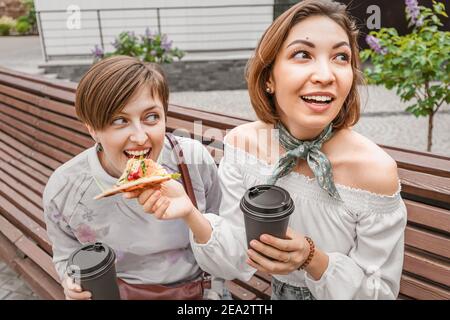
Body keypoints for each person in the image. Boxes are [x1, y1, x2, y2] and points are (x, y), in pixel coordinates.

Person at [131, 0, 408, 300]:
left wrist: (312, 259)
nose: (326, 75)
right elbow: (235, 257)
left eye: (341, 57)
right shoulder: (242, 144)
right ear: (269, 79)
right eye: (303, 54)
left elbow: (379, 293)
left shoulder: (375, 171)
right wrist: (190, 213)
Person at [43, 55, 229, 300]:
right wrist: (71, 282)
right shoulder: (65, 188)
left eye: (151, 117)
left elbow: (225, 234)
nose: (140, 137)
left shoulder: (191, 160)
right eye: (119, 121)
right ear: (92, 129)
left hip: (198, 291)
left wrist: (190, 214)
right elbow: (67, 256)